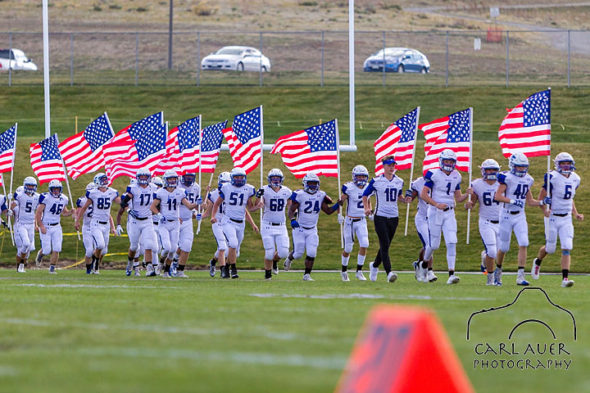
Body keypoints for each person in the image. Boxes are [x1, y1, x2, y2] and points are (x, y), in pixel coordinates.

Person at [494, 152, 550, 286]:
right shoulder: (507, 177)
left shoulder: (528, 179)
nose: (521, 169)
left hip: (520, 215)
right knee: (504, 247)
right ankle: (498, 270)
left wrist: (542, 202)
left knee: (524, 242)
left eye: (523, 167)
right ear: (513, 166)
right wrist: (513, 201)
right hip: (506, 214)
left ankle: (520, 276)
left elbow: (530, 201)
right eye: (519, 167)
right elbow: (497, 196)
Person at [531, 152, 583, 288]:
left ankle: (565, 279)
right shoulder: (552, 177)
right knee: (551, 248)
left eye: (568, 163)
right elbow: (541, 198)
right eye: (563, 163)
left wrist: (575, 213)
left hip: (566, 218)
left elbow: (569, 199)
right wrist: (544, 210)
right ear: (557, 164)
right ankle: (537, 261)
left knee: (567, 246)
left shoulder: (575, 178)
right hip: (553, 217)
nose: (566, 166)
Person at [420, 149, 470, 285]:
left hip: (449, 212)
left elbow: (458, 198)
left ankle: (451, 274)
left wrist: (467, 194)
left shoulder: (457, 176)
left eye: (451, 161)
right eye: (446, 161)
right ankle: (423, 264)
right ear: (441, 161)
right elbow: (424, 194)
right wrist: (436, 204)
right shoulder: (434, 174)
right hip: (436, 212)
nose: (448, 163)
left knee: (452, 241)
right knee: (434, 245)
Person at [283, 172, 339, 281]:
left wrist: (338, 204)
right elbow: (291, 210)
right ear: (305, 184)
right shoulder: (300, 194)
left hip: (312, 229)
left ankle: (307, 275)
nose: (313, 186)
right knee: (298, 253)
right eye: (311, 183)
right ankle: (289, 259)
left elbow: (327, 211)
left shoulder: (321, 195)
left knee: (312, 252)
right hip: (299, 228)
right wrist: (292, 219)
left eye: (315, 183)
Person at [362, 155, 406, 284]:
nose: (392, 168)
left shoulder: (399, 181)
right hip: (380, 216)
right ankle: (389, 272)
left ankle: (375, 265)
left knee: (386, 245)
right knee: (384, 244)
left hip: (394, 217)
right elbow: (365, 195)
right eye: (389, 165)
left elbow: (399, 196)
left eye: (393, 165)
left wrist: (405, 199)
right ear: (384, 166)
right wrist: (366, 208)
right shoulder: (376, 181)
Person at [204, 172, 257, 278]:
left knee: (234, 251)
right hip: (222, 221)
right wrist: (211, 216)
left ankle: (217, 262)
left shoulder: (244, 189)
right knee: (227, 245)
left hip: (239, 222)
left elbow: (246, 210)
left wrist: (253, 223)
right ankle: (228, 269)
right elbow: (211, 206)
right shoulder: (217, 193)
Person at [150, 170, 199, 278]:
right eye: (170, 179)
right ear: (166, 180)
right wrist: (159, 215)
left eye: (174, 179)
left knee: (173, 249)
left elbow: (189, 206)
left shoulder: (180, 192)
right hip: (164, 223)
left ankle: (166, 271)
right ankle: (160, 264)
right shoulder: (160, 192)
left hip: (176, 223)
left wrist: (198, 203)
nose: (172, 181)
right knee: (167, 247)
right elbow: (152, 207)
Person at [465, 159, 502, 286]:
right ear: (483, 171)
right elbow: (472, 204)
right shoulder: (477, 184)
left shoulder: (503, 184)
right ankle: (490, 279)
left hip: (502, 222)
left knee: (498, 252)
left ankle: (485, 258)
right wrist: (469, 203)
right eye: (489, 170)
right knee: (492, 252)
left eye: (494, 170)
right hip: (486, 222)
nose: (491, 172)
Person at [76, 173, 120, 275]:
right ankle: (93, 266)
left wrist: (129, 200)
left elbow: (120, 202)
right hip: (95, 224)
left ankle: (95, 263)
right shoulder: (93, 194)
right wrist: (77, 220)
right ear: (97, 181)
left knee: (104, 250)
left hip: (106, 225)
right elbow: (84, 208)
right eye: (102, 179)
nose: (105, 181)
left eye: (105, 179)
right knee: (99, 245)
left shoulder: (111, 192)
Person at [252, 168, 292, 280]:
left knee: (284, 252)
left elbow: (291, 206)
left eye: (277, 178)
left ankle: (275, 261)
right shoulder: (264, 189)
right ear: (269, 179)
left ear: (281, 179)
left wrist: (294, 215)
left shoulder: (287, 191)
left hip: (281, 225)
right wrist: (258, 197)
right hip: (267, 224)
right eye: (273, 178)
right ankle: (268, 275)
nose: (275, 180)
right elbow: (258, 205)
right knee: (269, 252)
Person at [120, 168, 159, 277]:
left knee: (149, 244)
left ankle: (149, 267)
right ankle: (130, 263)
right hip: (135, 221)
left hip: (148, 220)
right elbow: (123, 202)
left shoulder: (154, 188)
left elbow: (158, 202)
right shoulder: (133, 189)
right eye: (141, 177)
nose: (143, 179)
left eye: (145, 177)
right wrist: (128, 210)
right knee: (134, 247)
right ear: (137, 178)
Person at [339, 165, 370, 282]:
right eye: (359, 176)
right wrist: (339, 214)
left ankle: (359, 271)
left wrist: (369, 211)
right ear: (354, 177)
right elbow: (341, 201)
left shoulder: (367, 187)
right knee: (348, 248)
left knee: (365, 243)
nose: (361, 179)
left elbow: (368, 199)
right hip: (350, 221)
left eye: (363, 176)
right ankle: (344, 271)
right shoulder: (349, 188)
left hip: (361, 220)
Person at [35, 180, 73, 274]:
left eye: (57, 189)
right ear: (50, 189)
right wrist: (41, 225)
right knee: (47, 250)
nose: (56, 191)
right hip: (46, 225)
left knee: (57, 248)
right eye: (54, 189)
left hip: (57, 226)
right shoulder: (46, 198)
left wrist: (70, 212)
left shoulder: (64, 198)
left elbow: (64, 213)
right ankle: (41, 253)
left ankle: (52, 268)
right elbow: (38, 212)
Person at [169, 173, 202, 277]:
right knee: (172, 246)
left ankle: (180, 270)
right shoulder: (175, 186)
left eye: (191, 176)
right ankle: (167, 266)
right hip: (175, 220)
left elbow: (194, 206)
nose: (189, 178)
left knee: (187, 246)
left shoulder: (196, 187)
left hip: (187, 220)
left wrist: (196, 213)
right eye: (187, 176)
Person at [405, 176, 436, 283]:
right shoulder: (419, 182)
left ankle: (419, 263)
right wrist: (409, 197)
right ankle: (429, 271)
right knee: (429, 244)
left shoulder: (440, 179)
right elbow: (411, 197)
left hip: (435, 219)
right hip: (422, 218)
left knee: (429, 245)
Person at [12, 177, 39, 273]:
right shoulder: (20, 195)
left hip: (31, 224)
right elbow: (12, 206)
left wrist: (37, 223)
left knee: (29, 248)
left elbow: (39, 210)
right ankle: (20, 266)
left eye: (33, 186)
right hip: (21, 224)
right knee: (26, 244)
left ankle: (21, 264)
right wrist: (10, 209)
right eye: (29, 185)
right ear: (25, 186)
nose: (31, 188)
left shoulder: (37, 196)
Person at [75, 183, 96, 274]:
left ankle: (94, 266)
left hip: (97, 227)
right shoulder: (83, 201)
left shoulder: (99, 200)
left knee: (99, 248)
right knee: (89, 250)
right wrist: (77, 220)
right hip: (87, 227)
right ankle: (88, 269)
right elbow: (79, 212)